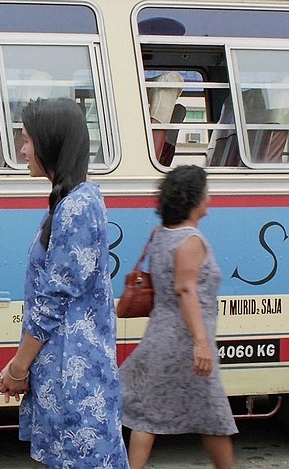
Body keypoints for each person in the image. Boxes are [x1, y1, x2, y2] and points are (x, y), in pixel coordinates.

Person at [0, 97, 129, 468]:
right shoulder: (71, 202)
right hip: (67, 370)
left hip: (73, 375)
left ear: (49, 143)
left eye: (27, 140)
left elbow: (53, 300)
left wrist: (18, 368)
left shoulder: (77, 207)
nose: (23, 150)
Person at [120, 165, 237, 469]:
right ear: (194, 199)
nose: (210, 198)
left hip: (159, 337)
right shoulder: (191, 240)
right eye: (206, 192)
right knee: (214, 417)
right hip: (185, 342)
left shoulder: (161, 235)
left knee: (147, 414)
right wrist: (201, 342)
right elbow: (185, 290)